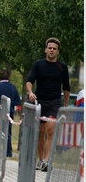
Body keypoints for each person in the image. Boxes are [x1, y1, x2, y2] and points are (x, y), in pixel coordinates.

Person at [26, 37, 70, 172]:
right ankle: (40, 159)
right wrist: (30, 92)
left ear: (57, 52)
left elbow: (66, 88)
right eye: (49, 48)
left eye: (54, 49)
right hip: (40, 101)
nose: (51, 50)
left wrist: (66, 106)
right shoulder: (38, 64)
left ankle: (47, 160)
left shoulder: (62, 67)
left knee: (51, 131)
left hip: (55, 102)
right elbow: (29, 81)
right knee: (41, 132)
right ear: (46, 50)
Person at [0, 69, 21, 157]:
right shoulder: (13, 88)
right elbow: (17, 101)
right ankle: (8, 152)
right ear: (9, 77)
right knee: (7, 132)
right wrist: (8, 105)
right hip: (8, 113)